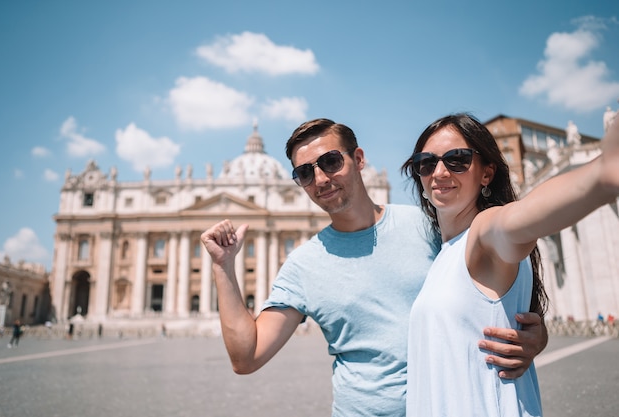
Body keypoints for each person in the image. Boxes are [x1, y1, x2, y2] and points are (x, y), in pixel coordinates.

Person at [201, 118, 548, 416]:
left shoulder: (430, 225)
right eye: (305, 173)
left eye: (331, 161)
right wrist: (223, 267)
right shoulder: (302, 264)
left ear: (359, 159)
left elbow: (491, 278)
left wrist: (536, 334)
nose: (321, 178)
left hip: (448, 404)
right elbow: (246, 358)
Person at [401, 113, 619, 416]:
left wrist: (602, 174)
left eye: (457, 160)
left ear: (486, 174)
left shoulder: (482, 230)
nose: (439, 172)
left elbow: (519, 218)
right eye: (426, 162)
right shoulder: (445, 251)